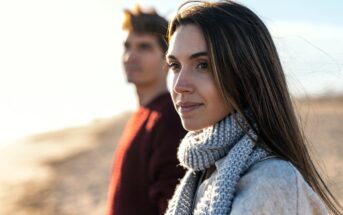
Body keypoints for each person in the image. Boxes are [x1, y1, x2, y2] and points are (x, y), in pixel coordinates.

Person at [164, 1, 342, 214]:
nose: (179, 85)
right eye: (175, 65)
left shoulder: (272, 182)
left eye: (203, 65)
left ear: (246, 73)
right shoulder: (201, 173)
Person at [106, 5, 187, 215]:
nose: (130, 56)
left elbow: (172, 206)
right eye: (127, 46)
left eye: (144, 47)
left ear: (168, 60)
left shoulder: (169, 119)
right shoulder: (142, 115)